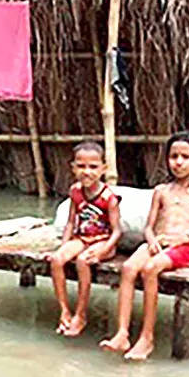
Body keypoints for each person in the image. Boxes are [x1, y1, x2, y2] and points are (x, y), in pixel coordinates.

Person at [100, 131, 189, 361]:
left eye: (185, 156)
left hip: (184, 248)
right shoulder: (161, 191)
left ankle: (147, 338)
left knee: (150, 268)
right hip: (158, 243)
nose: (179, 162)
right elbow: (149, 227)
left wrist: (185, 239)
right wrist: (151, 239)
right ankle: (122, 333)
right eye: (174, 156)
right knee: (129, 268)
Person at [49, 142, 121, 337]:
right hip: (82, 238)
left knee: (82, 261)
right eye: (81, 166)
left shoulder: (109, 198)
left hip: (104, 241)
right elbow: (71, 222)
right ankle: (64, 311)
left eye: (93, 167)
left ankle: (80, 315)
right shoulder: (75, 192)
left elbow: (117, 232)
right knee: (56, 260)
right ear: (73, 168)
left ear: (103, 169)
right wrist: (64, 246)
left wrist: (104, 250)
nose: (86, 172)